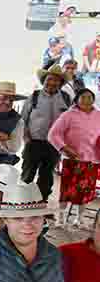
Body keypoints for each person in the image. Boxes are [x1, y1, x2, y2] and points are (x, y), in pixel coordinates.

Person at [48, 87, 100, 228]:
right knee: (66, 192)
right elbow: (53, 134)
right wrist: (64, 148)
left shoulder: (98, 115)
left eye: (89, 97)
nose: (86, 100)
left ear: (93, 100)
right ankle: (60, 219)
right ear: (76, 99)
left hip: (92, 160)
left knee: (85, 193)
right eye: (83, 97)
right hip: (72, 159)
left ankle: (80, 219)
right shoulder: (68, 115)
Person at [20, 65, 72, 201]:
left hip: (54, 144)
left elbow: (70, 122)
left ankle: (41, 203)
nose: (52, 83)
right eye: (49, 79)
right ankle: (22, 203)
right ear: (44, 80)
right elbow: (23, 120)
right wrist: (26, 139)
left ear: (60, 83)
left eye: (56, 80)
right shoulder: (34, 96)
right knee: (27, 174)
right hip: (34, 142)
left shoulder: (66, 98)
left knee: (47, 176)